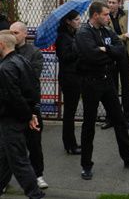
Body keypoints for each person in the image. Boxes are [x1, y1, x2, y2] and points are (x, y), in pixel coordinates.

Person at [75, 1, 129, 180]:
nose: (109, 17)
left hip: (108, 83)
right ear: (95, 15)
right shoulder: (84, 33)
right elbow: (91, 56)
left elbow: (121, 51)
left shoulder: (107, 31)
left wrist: (105, 49)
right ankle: (86, 165)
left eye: (109, 14)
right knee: (89, 125)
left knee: (119, 120)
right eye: (106, 14)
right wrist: (109, 55)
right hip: (91, 83)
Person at [0, 32, 45, 199]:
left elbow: (13, 96)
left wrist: (28, 115)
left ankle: (35, 194)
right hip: (19, 116)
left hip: (11, 119)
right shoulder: (23, 61)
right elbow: (33, 88)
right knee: (4, 156)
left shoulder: (6, 67)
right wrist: (32, 113)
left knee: (18, 160)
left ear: (1, 45)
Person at [9, 21, 48, 190]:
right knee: (8, 145)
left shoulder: (34, 53)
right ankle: (5, 179)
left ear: (25, 34)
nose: (13, 36)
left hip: (31, 105)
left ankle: (38, 175)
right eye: (10, 32)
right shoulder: (4, 52)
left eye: (16, 33)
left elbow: (32, 77)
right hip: (11, 105)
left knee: (34, 143)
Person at [102, 0, 129, 131]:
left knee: (126, 88)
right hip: (111, 56)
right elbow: (108, 36)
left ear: (119, 3)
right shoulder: (104, 17)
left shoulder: (126, 14)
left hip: (125, 55)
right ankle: (111, 118)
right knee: (111, 89)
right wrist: (123, 36)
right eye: (109, 2)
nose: (110, 5)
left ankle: (127, 118)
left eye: (113, 2)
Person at [55, 10, 82, 155]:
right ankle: (70, 144)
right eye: (76, 19)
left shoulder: (72, 35)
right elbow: (65, 57)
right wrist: (78, 49)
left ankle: (72, 143)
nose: (79, 21)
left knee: (71, 112)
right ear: (68, 21)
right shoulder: (63, 38)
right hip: (69, 78)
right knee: (69, 113)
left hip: (75, 76)